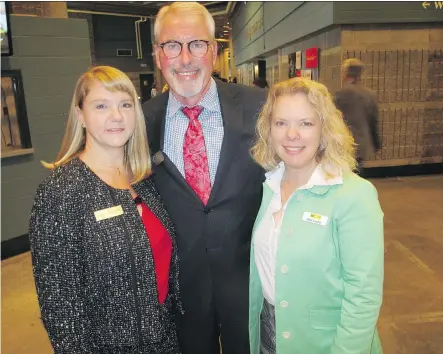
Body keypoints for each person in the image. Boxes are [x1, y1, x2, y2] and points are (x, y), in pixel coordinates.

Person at [29, 66, 181, 354]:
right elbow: (61, 306)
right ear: (80, 115)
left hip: (166, 339)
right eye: (101, 106)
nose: (117, 116)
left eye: (125, 104)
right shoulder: (62, 191)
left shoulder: (144, 178)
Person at [142, 2, 267, 354]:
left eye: (197, 44)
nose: (185, 58)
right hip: (182, 291)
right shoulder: (139, 123)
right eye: (171, 46)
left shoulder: (260, 107)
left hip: (249, 281)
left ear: (213, 50)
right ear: (157, 54)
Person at [249, 78, 384, 354]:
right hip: (265, 335)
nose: (292, 134)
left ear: (324, 130)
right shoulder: (265, 189)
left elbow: (363, 297)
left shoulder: (354, 196)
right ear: (268, 129)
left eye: (306, 123)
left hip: (327, 343)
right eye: (281, 123)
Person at [334, 58, 381, 174]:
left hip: (344, 143)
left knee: (344, 174)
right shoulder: (370, 94)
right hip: (362, 144)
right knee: (357, 173)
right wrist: (376, 142)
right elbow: (373, 121)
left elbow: (333, 118)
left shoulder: (341, 93)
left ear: (345, 72)